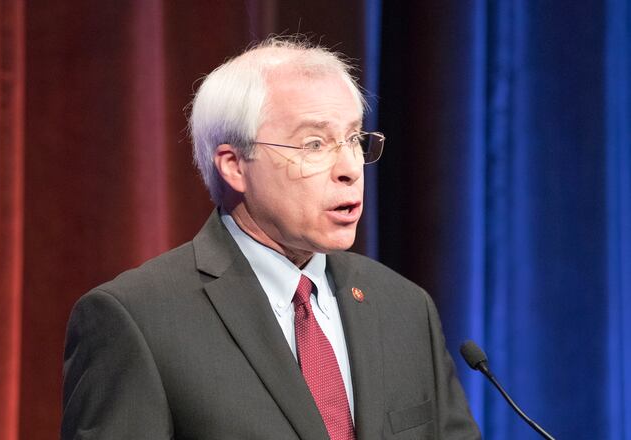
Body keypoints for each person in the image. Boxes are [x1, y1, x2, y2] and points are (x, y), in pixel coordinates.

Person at [61, 37, 480, 439]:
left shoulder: (404, 308)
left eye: (353, 138)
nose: (351, 167)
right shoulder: (138, 320)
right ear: (234, 165)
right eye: (314, 143)